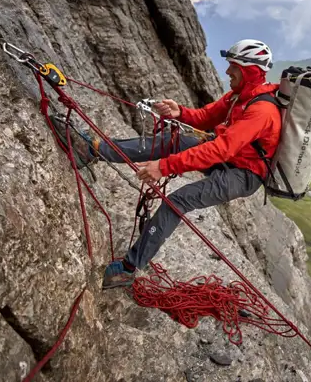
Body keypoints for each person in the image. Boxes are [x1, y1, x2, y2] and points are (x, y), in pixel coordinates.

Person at [51, 39, 281, 289]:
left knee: (178, 200)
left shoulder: (261, 112)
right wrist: (180, 112)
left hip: (243, 174)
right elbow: (206, 117)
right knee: (172, 140)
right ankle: (93, 150)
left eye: (233, 66)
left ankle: (128, 269)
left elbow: (220, 150)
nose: (227, 71)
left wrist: (164, 166)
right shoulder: (241, 96)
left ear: (249, 71)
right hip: (231, 158)